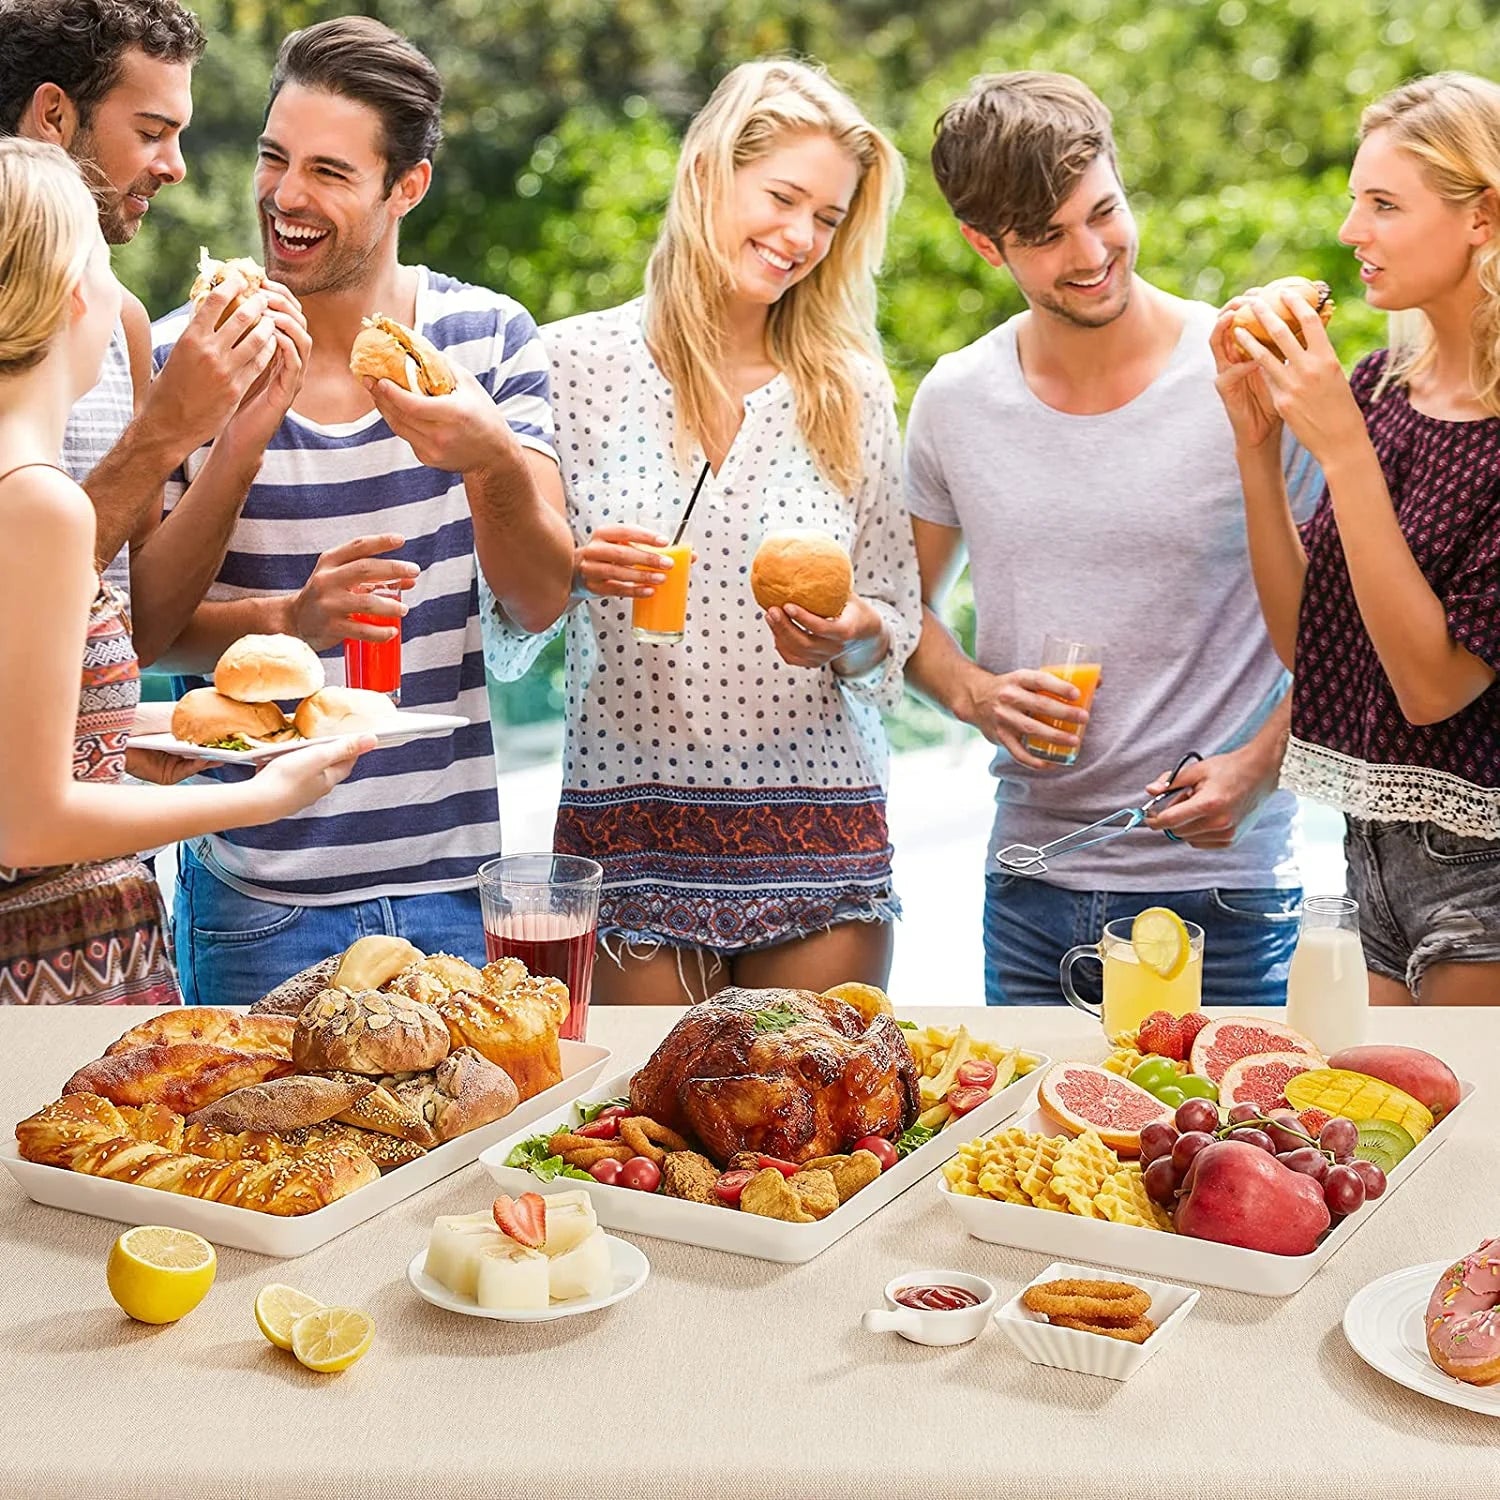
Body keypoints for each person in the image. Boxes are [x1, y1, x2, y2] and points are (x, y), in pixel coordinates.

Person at [151, 17, 575, 1004]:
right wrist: (242, 448)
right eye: (273, 158)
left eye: (330, 172)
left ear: (406, 188)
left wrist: (491, 462)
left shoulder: (488, 340)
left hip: (452, 899)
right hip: (260, 899)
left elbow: (543, 601)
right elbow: (151, 633)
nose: (286, 196)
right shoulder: (188, 355)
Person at [484, 59, 921, 1003]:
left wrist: (852, 635)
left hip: (823, 830)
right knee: (634, 1140)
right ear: (710, 174)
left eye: (830, 219)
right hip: (630, 833)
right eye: (784, 197)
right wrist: (571, 569)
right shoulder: (570, 364)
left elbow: (897, 621)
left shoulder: (848, 389)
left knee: (817, 1141)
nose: (801, 236)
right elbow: (512, 632)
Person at [904, 72, 1318, 1007]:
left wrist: (1260, 768)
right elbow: (900, 610)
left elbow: (1352, 628)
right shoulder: (956, 401)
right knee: (1032, 1156)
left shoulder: (1249, 375)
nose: (1091, 254)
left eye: (1104, 212)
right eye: (1047, 238)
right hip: (1030, 888)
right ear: (984, 243)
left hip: (1228, 893)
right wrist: (974, 692)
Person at [0, 138, 367, 1005]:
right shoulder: (41, 505)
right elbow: (31, 817)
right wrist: (260, 796)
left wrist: (152, 737)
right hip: (48, 978)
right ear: (72, 291)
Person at [1213, 72, 1500, 1007]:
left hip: (1484, 871)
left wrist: (1339, 449)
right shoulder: (1378, 385)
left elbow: (1432, 687)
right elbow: (1316, 647)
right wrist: (1257, 445)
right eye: (1352, 202)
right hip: (1368, 854)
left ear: (1482, 217)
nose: (1349, 233)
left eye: (1382, 204)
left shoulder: (1373, 418)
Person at [1, 0, 311, 666]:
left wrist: (239, 439)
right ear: (54, 114)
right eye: (150, 131)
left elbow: (132, 627)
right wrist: (163, 431)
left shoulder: (123, 324)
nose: (176, 166)